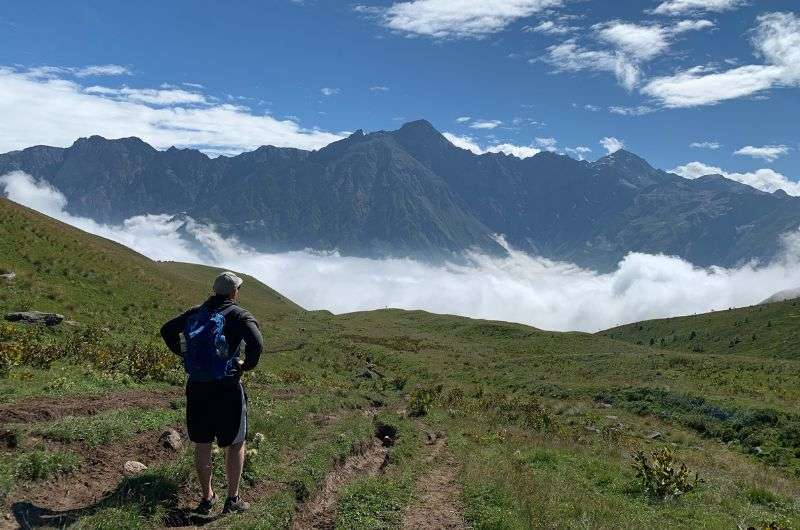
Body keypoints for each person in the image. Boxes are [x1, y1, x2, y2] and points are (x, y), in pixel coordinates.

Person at [160, 271, 263, 515]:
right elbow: (257, 344)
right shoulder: (239, 314)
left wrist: (184, 354)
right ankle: (233, 499)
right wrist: (245, 365)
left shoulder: (196, 312)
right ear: (233, 292)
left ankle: (207, 497)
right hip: (227, 387)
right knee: (236, 442)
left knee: (203, 443)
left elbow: (166, 330)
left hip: (197, 386)